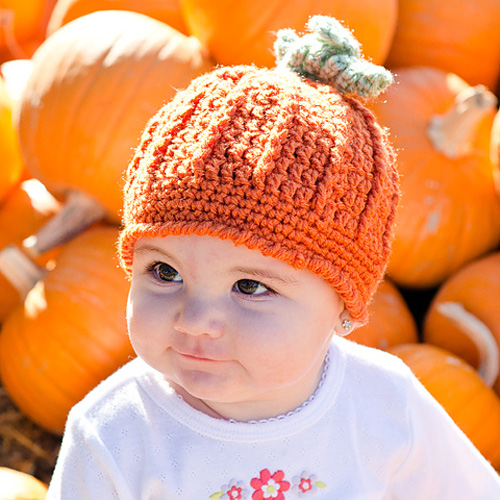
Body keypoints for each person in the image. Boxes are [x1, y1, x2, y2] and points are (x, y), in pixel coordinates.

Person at [46, 16, 500, 499]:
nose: (196, 320)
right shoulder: (113, 433)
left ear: (345, 306)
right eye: (165, 272)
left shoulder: (385, 406)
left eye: (250, 286)